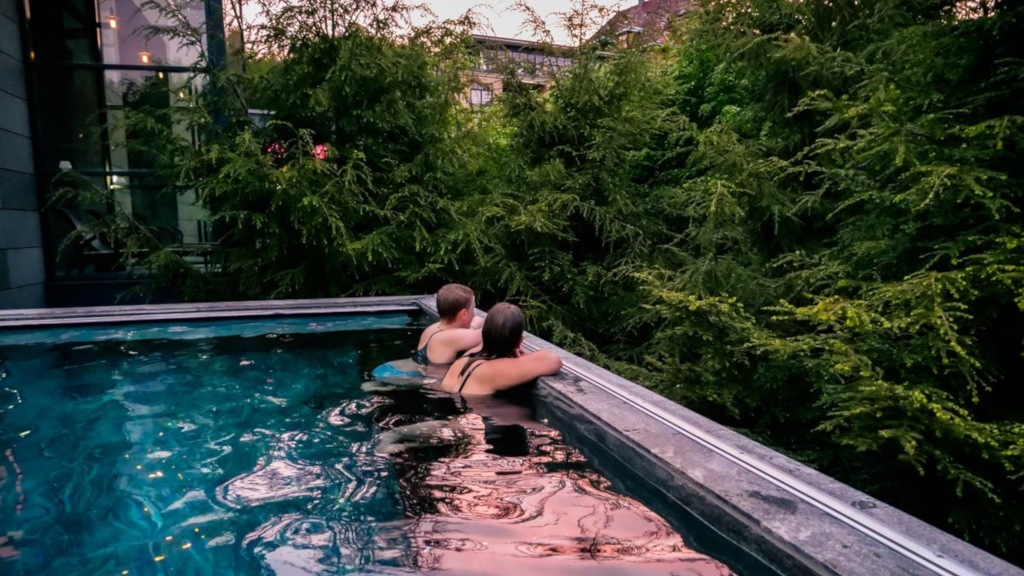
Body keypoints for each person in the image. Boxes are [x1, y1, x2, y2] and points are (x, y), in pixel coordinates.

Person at [440, 303, 562, 396]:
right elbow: (552, 360)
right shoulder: (493, 369)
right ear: (520, 341)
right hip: (466, 423)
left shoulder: (467, 357)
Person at [371, 283, 484, 381]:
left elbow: (475, 324)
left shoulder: (433, 328)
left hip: (391, 369)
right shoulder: (452, 337)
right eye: (473, 308)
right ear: (463, 314)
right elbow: (491, 331)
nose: (474, 313)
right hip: (400, 376)